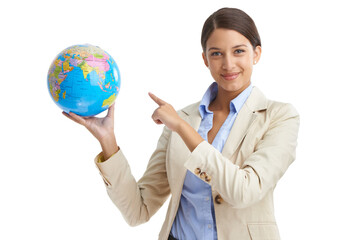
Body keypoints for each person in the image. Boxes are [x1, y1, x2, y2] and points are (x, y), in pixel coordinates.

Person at [64, 7, 300, 240]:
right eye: (216, 53)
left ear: (256, 54)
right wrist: (108, 140)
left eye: (238, 51)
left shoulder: (279, 116)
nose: (228, 64)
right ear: (205, 59)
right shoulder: (182, 118)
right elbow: (138, 211)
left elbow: (244, 192)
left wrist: (182, 129)